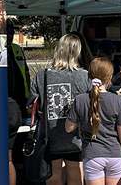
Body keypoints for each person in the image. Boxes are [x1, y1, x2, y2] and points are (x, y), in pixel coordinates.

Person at [26, 33, 92, 185]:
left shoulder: (42, 75)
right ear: (78, 52)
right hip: (76, 138)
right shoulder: (84, 76)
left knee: (53, 179)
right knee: (76, 179)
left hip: (49, 138)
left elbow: (31, 108)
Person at [65, 57, 121, 185]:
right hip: (114, 155)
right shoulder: (117, 100)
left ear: (88, 76)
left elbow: (69, 127)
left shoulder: (80, 99)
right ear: (110, 77)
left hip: (92, 156)